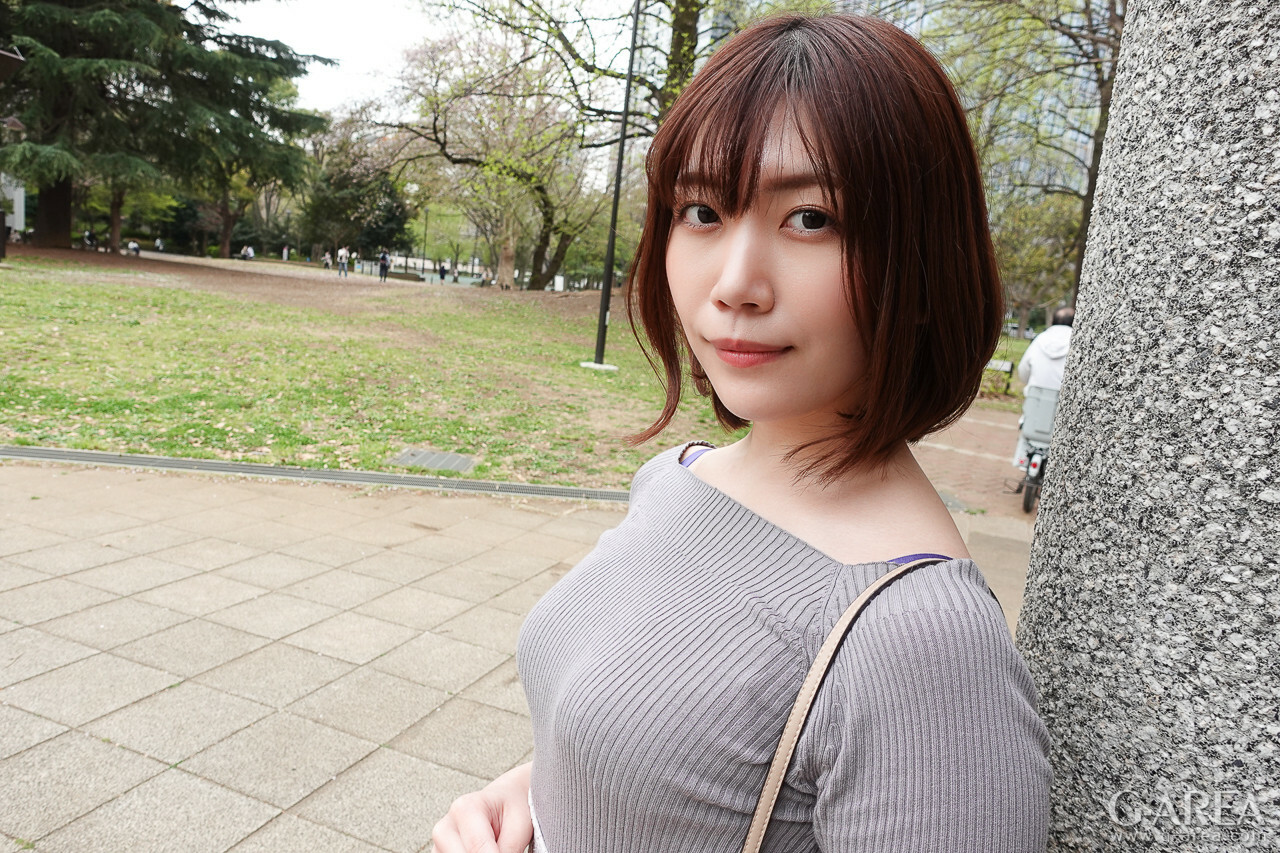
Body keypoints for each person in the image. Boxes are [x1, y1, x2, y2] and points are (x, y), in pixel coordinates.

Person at [434, 14, 1051, 853]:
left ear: (922, 256)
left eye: (811, 218)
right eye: (702, 210)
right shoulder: (678, 478)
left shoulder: (923, 644)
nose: (735, 283)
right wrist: (536, 791)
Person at [1012, 306, 1074, 469]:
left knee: (1026, 422)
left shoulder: (1040, 339)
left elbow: (1023, 371)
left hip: (1035, 402)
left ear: (1053, 320)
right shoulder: (1077, 342)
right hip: (1061, 406)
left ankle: (1023, 462)